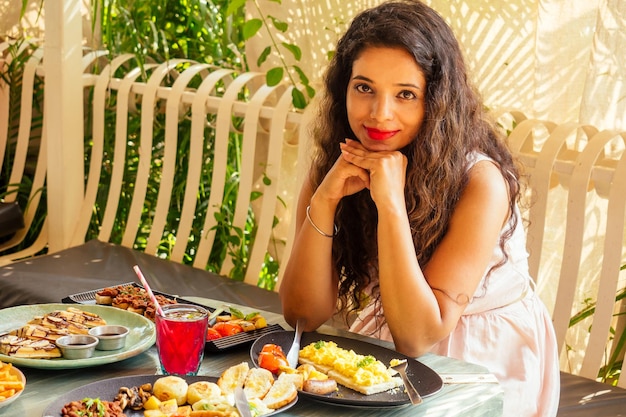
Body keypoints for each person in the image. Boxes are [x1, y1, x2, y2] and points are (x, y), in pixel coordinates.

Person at [279, 1, 560, 415]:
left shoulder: (481, 182)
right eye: (364, 87)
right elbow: (303, 315)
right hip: (392, 341)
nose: (380, 114)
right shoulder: (339, 165)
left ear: (435, 101)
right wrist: (324, 201)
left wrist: (390, 205)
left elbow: (419, 336)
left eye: (405, 94)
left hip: (480, 359)